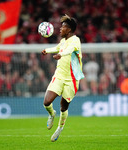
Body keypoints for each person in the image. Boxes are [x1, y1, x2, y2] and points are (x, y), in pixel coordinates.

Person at [41, 14, 84, 142]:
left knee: (63, 107)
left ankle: (60, 128)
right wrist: (47, 51)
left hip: (72, 79)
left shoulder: (76, 40)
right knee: (46, 102)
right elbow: (57, 48)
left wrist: (61, 54)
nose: (60, 29)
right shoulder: (63, 41)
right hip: (59, 76)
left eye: (63, 27)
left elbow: (69, 50)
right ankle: (51, 114)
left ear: (69, 29)